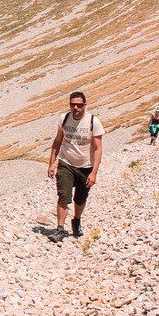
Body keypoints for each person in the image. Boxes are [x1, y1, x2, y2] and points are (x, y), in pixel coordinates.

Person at [47, 91, 105, 241]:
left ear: (85, 105)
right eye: (73, 105)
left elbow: (98, 149)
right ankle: (59, 229)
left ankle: (77, 220)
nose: (76, 108)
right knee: (63, 196)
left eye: (79, 105)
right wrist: (52, 163)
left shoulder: (93, 122)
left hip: (86, 166)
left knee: (80, 198)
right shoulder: (64, 119)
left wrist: (94, 173)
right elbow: (58, 141)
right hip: (66, 163)